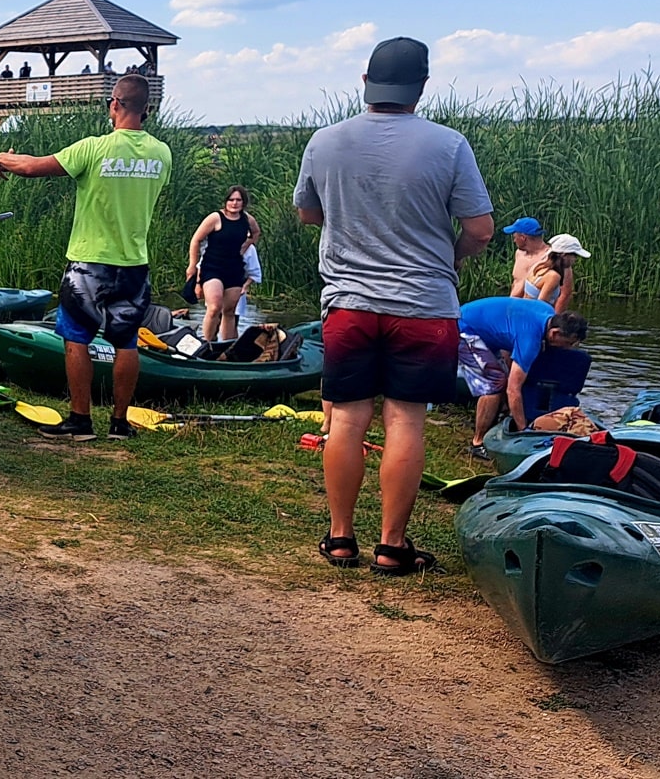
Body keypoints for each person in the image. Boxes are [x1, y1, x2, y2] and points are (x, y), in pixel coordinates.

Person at [293, 36, 494, 575]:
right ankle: (391, 545)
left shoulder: (325, 140)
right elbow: (480, 230)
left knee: (346, 419)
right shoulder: (449, 144)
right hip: (424, 306)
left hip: (349, 304)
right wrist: (451, 256)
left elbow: (308, 213)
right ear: (422, 86)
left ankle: (340, 537)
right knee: (405, 420)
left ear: (365, 82)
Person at [0, 73, 171, 440]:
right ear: (147, 109)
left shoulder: (94, 148)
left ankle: (81, 420)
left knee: (77, 339)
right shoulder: (161, 153)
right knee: (126, 342)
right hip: (134, 263)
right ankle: (119, 424)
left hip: (89, 263)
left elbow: (32, 167)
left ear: (114, 104)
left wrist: (2, 157)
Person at [459, 296, 589, 457]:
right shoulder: (530, 341)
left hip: (481, 328)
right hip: (463, 329)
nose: (568, 348)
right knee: (493, 386)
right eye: (568, 343)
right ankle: (477, 443)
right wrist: (524, 431)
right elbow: (513, 390)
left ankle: (494, 420)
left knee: (503, 378)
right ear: (555, 333)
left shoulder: (547, 312)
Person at [187, 186, 259, 343]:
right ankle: (207, 343)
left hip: (234, 268)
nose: (234, 203)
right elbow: (196, 240)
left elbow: (256, 232)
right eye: (231, 200)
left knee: (230, 311)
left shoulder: (247, 219)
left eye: (238, 200)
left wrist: (246, 245)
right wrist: (192, 265)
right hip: (212, 267)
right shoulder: (215, 218)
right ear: (226, 201)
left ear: (244, 202)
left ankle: (226, 346)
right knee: (214, 307)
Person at [512, 232, 588, 313]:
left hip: (523, 313)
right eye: (575, 256)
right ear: (564, 255)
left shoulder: (539, 266)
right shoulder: (553, 276)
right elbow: (540, 307)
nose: (575, 260)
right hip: (532, 316)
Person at [502, 218, 550, 296]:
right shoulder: (519, 254)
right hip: (514, 301)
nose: (514, 241)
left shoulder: (549, 257)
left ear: (523, 238)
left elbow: (564, 290)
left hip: (535, 302)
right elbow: (516, 282)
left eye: (515, 237)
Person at [234, 244, 263, 321]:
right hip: (216, 291)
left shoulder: (249, 248)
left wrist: (245, 286)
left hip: (237, 289)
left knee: (233, 318)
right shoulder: (215, 241)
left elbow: (255, 273)